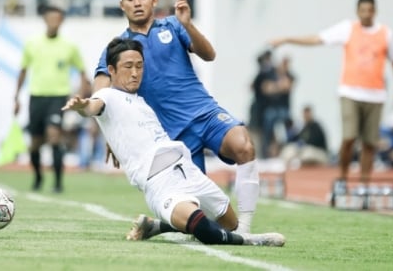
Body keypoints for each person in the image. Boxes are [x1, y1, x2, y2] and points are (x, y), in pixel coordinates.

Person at [64, 38, 285, 246]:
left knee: (229, 224)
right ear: (111, 70)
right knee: (204, 229)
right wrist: (82, 106)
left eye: (139, 66)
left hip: (187, 170)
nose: (135, 73)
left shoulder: (141, 101)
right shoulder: (108, 96)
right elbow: (94, 106)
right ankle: (252, 240)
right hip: (160, 183)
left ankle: (156, 226)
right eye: (128, 66)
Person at [93, 0, 261, 235]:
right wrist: (110, 130)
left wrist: (189, 24)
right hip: (172, 138)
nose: (137, 3)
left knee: (244, 145)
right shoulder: (118, 49)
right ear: (122, 5)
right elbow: (101, 94)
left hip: (204, 114)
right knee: (197, 215)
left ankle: (247, 229)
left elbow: (209, 54)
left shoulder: (173, 26)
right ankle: (158, 226)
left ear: (154, 0)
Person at [270, 0, 393, 196]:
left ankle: (363, 185)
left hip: (375, 95)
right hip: (350, 92)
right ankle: (342, 179)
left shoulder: (385, 34)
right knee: (349, 137)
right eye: (363, 10)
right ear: (357, 11)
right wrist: (287, 39)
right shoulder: (348, 29)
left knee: (369, 142)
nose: (367, 14)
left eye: (370, 10)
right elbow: (317, 39)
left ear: (375, 12)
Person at [13, 5, 90, 193]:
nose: (54, 22)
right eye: (51, 18)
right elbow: (23, 70)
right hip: (36, 97)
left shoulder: (69, 46)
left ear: (62, 21)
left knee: (54, 136)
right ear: (45, 19)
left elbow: (83, 74)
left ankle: (57, 182)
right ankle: (38, 177)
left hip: (58, 97)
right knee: (35, 143)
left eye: (58, 18)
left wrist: (78, 96)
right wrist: (16, 97)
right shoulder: (32, 43)